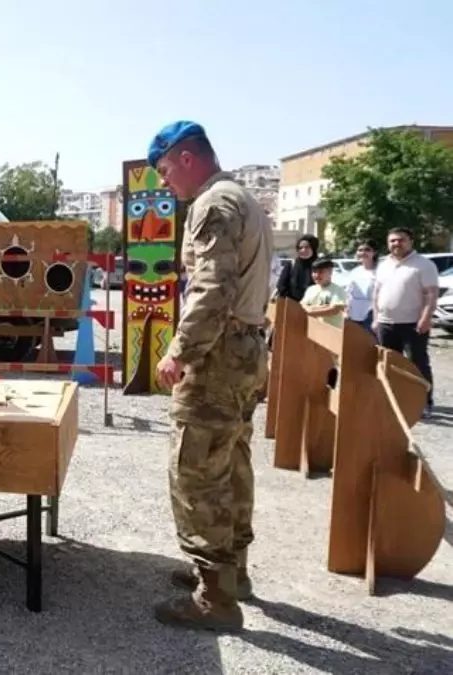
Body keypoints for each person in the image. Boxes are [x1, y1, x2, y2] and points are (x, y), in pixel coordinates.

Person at [148, 121, 272, 632]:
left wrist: (180, 351)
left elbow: (212, 286)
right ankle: (231, 573)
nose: (163, 182)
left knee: (196, 470)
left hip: (218, 354)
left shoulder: (212, 204)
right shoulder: (244, 198)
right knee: (232, 460)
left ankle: (215, 598)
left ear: (186, 158)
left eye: (164, 170)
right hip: (246, 348)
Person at [373, 227, 438, 415]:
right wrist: (376, 318)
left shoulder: (424, 265)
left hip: (413, 324)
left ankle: (424, 403)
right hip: (386, 323)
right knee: (389, 364)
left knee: (417, 364)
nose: (396, 244)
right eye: (392, 240)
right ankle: (394, 401)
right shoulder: (384, 264)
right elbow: (377, 293)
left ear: (411, 242)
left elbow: (431, 294)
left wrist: (425, 318)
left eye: (401, 240)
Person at [301, 257, 347, 328]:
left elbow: (334, 310)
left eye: (321, 272)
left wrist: (311, 311)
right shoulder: (310, 289)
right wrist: (321, 307)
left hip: (331, 330)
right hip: (313, 329)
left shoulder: (338, 290)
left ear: (330, 272)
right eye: (314, 272)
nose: (316, 275)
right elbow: (302, 305)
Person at [344, 241, 378, 334]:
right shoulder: (355, 272)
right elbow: (348, 293)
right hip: (354, 315)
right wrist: (346, 311)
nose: (363, 252)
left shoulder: (380, 271)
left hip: (372, 315)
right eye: (360, 250)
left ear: (374, 252)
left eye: (367, 250)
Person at [275, 234, 319, 302]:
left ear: (313, 248)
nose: (303, 250)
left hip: (313, 304)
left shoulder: (319, 266)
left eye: (307, 247)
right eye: (300, 248)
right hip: (292, 304)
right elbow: (281, 285)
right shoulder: (291, 265)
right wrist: (292, 302)